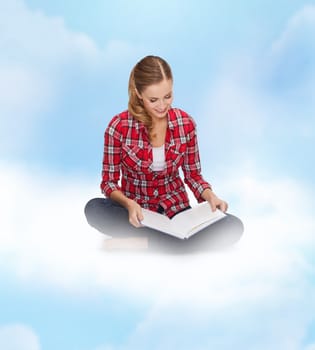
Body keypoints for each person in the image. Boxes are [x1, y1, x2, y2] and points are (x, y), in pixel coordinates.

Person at [84, 55, 243, 253]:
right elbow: (108, 182)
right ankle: (180, 248)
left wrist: (210, 196)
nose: (162, 106)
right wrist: (128, 203)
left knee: (233, 225)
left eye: (167, 96)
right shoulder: (118, 127)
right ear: (138, 93)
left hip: (177, 212)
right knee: (94, 208)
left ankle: (149, 244)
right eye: (153, 99)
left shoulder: (186, 123)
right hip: (139, 214)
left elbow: (193, 176)